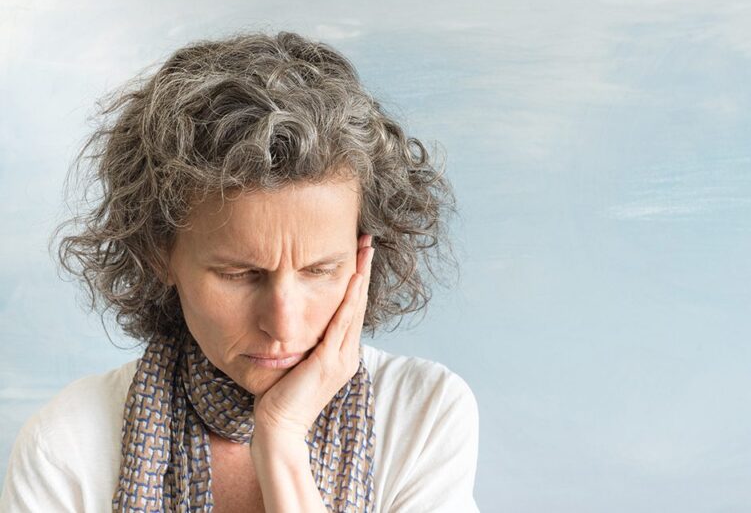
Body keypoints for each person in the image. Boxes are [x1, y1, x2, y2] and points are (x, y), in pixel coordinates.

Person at [0, 31, 479, 512]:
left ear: (362, 260)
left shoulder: (423, 417)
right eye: (240, 275)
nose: (283, 325)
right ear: (158, 253)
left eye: (320, 271)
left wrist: (282, 440)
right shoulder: (67, 446)